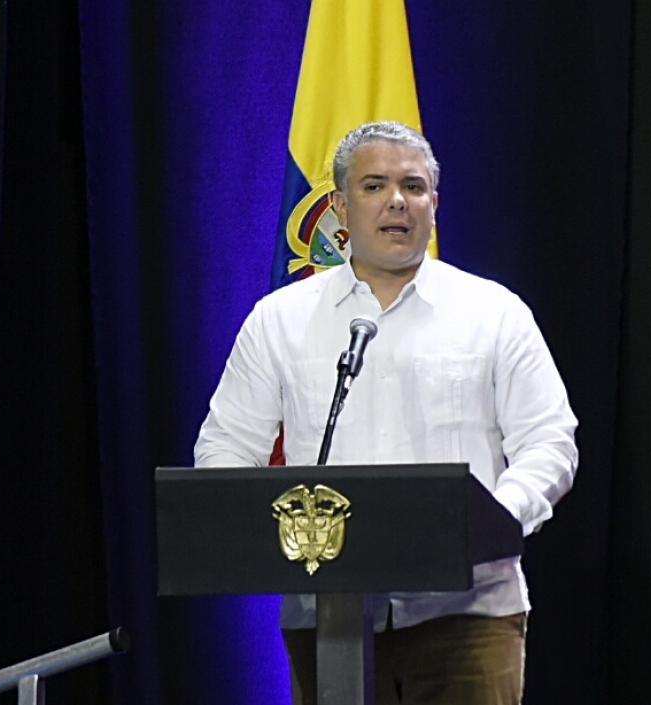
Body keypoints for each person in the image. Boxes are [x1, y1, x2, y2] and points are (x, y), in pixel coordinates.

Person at [194, 121, 578, 705]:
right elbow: (224, 448)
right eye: (374, 186)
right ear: (341, 208)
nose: (397, 201)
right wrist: (267, 532)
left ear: (434, 205)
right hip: (327, 617)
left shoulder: (494, 313)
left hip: (468, 615)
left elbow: (550, 442)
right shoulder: (280, 320)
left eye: (413, 186)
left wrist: (492, 520)